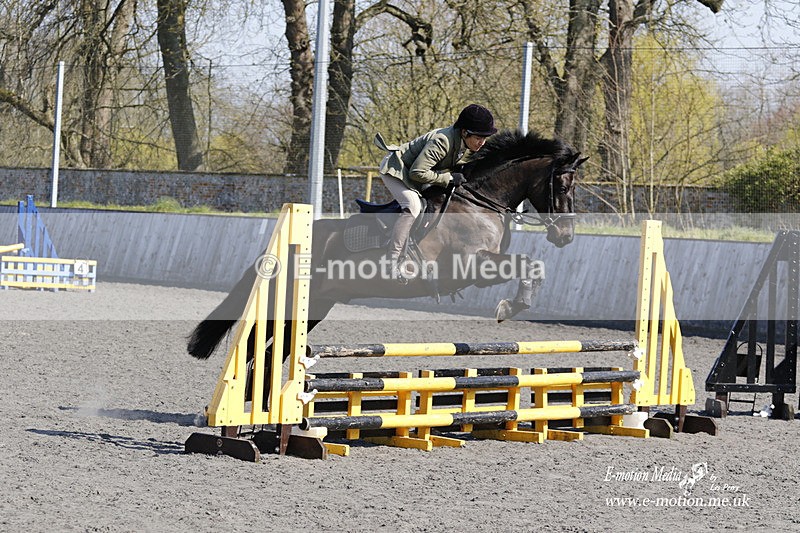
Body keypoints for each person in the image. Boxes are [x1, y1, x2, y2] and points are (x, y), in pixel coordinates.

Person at [373, 103, 497, 281]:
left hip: (417, 175)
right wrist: (448, 179)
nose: (482, 142)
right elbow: (417, 172)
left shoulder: (468, 145)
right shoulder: (442, 141)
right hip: (397, 170)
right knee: (413, 207)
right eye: (479, 137)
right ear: (464, 132)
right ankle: (391, 262)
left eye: (485, 138)